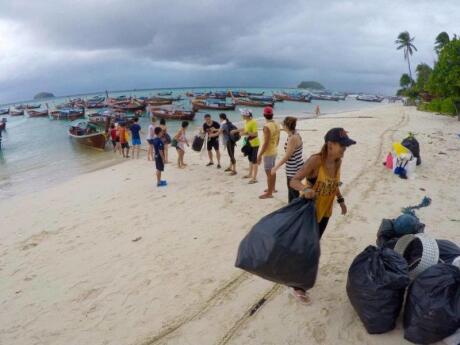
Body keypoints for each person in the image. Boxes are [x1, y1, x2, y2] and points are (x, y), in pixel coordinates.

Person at [288, 127, 356, 304]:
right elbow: (293, 180)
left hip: (325, 212)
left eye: (346, 147)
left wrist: (340, 200)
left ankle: (298, 278)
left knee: (313, 247)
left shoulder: (338, 161)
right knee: (309, 250)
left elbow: (334, 183)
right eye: (342, 146)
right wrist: (306, 188)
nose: (344, 150)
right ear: (330, 144)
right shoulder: (316, 161)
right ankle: (297, 286)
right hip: (309, 214)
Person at [271, 116, 304, 202]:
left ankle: (294, 210)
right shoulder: (294, 134)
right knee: (293, 191)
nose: (282, 127)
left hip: (294, 168)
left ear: (286, 126)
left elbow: (287, 156)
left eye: (283, 125)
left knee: (293, 193)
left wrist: (276, 167)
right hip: (296, 166)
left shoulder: (293, 138)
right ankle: (294, 208)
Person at [257, 106, 280, 199]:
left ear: (264, 115)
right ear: (272, 115)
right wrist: (275, 146)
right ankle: (272, 188)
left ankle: (269, 193)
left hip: (268, 152)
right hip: (274, 150)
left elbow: (266, 143)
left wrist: (260, 155)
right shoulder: (276, 124)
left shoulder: (266, 126)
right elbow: (278, 138)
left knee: (269, 173)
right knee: (272, 171)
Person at [232, 110, 260, 184]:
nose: (242, 116)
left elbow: (255, 134)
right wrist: (236, 131)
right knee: (250, 159)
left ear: (247, 115)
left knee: (254, 160)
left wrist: (245, 133)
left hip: (255, 143)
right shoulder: (247, 121)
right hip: (249, 143)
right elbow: (245, 129)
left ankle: (254, 178)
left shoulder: (253, 122)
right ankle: (250, 174)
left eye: (243, 115)